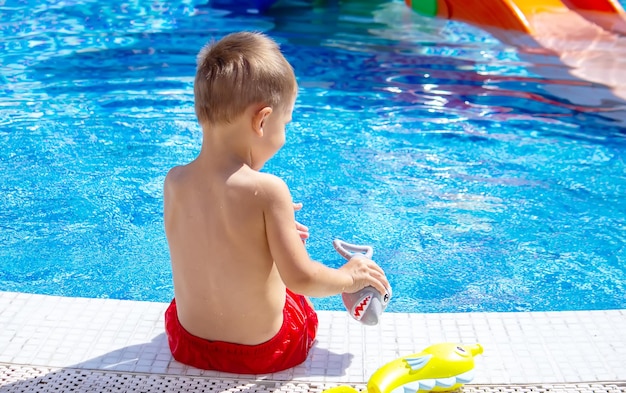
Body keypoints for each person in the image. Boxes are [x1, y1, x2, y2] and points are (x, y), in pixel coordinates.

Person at [162, 31, 390, 375]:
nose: (283, 135)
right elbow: (301, 278)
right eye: (284, 124)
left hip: (186, 344)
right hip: (262, 354)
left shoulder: (175, 180)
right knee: (297, 301)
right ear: (262, 120)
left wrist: (262, 234)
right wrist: (349, 277)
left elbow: (206, 247)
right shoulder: (269, 190)